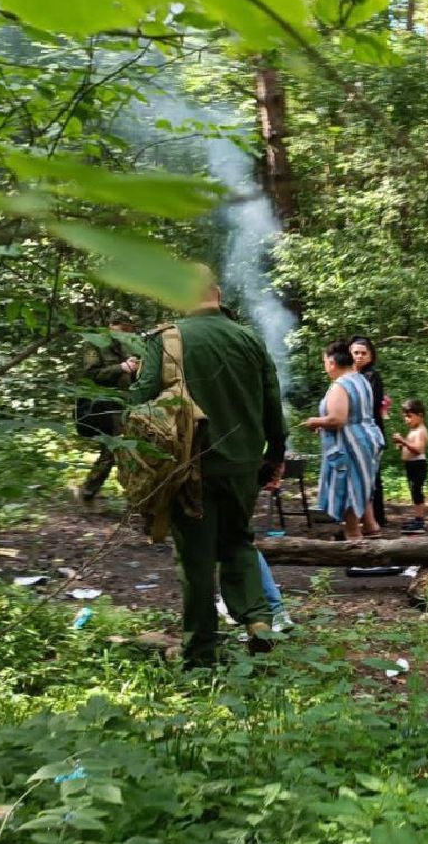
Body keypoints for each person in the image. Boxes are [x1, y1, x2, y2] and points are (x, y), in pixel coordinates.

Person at [129, 271, 286, 667]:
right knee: (238, 541)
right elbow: (272, 401)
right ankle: (259, 623)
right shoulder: (249, 339)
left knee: (196, 558)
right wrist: (276, 453)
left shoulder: (166, 340)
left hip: (190, 467)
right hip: (244, 465)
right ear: (217, 295)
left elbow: (141, 400)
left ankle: (200, 653)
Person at [305, 340, 385, 540]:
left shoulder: (341, 384)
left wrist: (316, 421)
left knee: (348, 486)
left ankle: (353, 535)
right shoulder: (360, 378)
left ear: (332, 362)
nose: (325, 367)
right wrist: (323, 425)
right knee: (362, 482)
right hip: (368, 437)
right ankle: (370, 526)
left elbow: (338, 419)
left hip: (350, 443)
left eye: (324, 362)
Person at [74, 313, 140, 503]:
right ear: (112, 325)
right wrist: (121, 368)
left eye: (131, 330)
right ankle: (88, 492)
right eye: (125, 329)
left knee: (124, 447)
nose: (128, 333)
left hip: (126, 404)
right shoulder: (95, 344)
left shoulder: (128, 345)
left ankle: (92, 491)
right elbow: (91, 375)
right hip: (105, 404)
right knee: (114, 448)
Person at [350, 336, 389, 532]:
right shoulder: (350, 376)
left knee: (372, 476)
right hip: (356, 431)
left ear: (371, 355)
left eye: (363, 353)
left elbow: (370, 406)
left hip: (370, 431)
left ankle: (376, 518)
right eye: (355, 352)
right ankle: (363, 518)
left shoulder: (372, 376)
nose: (359, 356)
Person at [393, 399, 428, 534]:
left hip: (418, 465)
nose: (406, 420)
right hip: (411, 465)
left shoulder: (420, 431)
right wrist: (402, 445)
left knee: (417, 492)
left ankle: (420, 521)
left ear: (420, 416)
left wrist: (403, 440)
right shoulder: (414, 430)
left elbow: (418, 449)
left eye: (409, 416)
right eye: (405, 417)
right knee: (414, 492)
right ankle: (417, 519)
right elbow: (410, 447)